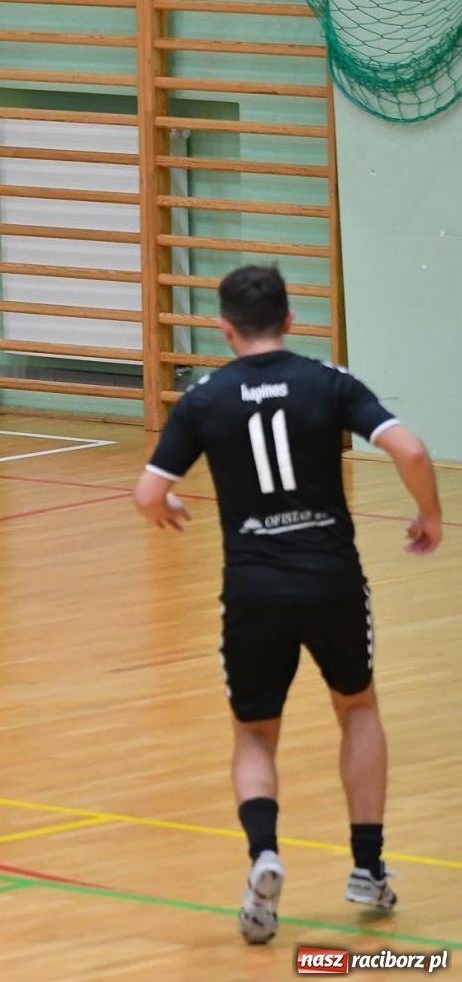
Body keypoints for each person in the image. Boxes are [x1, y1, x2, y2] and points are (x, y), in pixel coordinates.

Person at [133, 264, 442, 944]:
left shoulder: (205, 399)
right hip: (332, 579)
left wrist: (169, 504)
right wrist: (429, 515)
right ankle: (366, 868)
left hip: (253, 589)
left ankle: (265, 856)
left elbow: (148, 491)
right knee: (357, 708)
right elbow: (411, 448)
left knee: (254, 731)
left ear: (223, 327)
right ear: (290, 320)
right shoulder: (327, 381)